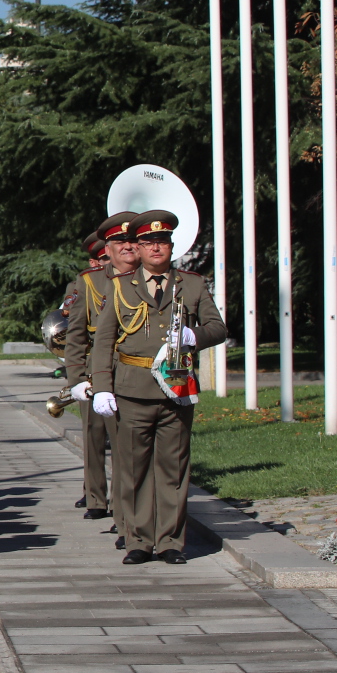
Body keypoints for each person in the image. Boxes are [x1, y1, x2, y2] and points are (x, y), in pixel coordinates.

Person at [89, 210, 227, 565]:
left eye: (162, 241)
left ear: (171, 246)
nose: (155, 248)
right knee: (133, 469)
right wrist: (102, 387)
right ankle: (137, 540)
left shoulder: (192, 284)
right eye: (148, 242)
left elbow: (218, 327)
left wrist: (194, 335)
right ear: (137, 246)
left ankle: (170, 542)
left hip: (177, 388)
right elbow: (104, 342)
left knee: (173, 469)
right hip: (132, 391)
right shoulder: (120, 286)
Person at [61, 213, 137, 521]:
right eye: (119, 241)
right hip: (96, 369)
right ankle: (95, 496)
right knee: (93, 434)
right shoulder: (90, 281)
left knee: (125, 447)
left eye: (131, 240)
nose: (126, 246)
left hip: (134, 370)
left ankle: (126, 513)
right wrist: (77, 378)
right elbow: (75, 334)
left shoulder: (146, 277)